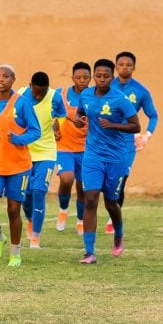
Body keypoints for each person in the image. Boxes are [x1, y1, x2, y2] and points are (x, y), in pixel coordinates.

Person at [74, 59, 140, 264]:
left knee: (111, 202)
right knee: (91, 198)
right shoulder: (85, 95)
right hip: (92, 156)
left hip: (116, 157)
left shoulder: (120, 99)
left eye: (106, 76)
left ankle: (118, 233)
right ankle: (89, 252)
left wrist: (113, 125)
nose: (102, 79)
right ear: (94, 75)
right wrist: (78, 119)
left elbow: (135, 126)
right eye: (98, 75)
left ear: (113, 77)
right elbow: (81, 111)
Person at [0, 65, 40, 267]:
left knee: (14, 210)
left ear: (13, 80)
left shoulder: (21, 103)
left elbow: (35, 131)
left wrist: (20, 139)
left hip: (18, 166)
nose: (1, 80)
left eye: (5, 76)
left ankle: (15, 252)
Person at [106, 51, 159, 234]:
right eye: (121, 64)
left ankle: (113, 219)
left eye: (128, 65)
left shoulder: (140, 91)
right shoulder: (105, 87)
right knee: (102, 179)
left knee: (120, 179)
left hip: (127, 143)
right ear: (116, 66)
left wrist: (147, 135)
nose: (124, 68)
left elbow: (153, 115)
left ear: (134, 68)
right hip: (105, 140)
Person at [18, 72, 66, 248]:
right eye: (36, 92)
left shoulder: (55, 97)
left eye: (42, 93)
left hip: (46, 152)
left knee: (39, 191)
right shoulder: (20, 94)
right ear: (30, 85)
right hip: (24, 151)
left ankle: (35, 237)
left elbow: (62, 114)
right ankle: (30, 221)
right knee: (25, 194)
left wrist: (58, 126)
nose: (39, 96)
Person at [55, 62, 91, 234]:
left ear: (90, 78)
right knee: (67, 179)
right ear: (72, 78)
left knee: (83, 186)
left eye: (85, 77)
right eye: (78, 77)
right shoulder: (60, 94)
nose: (82, 80)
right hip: (64, 147)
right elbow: (50, 112)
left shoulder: (94, 97)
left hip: (86, 149)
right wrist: (55, 126)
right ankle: (63, 210)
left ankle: (80, 220)